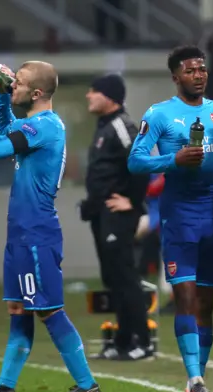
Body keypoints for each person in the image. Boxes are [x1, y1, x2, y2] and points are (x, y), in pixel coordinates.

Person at [0, 62, 101, 392]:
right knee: (19, 308)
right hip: (22, 233)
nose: (13, 86)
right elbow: (8, 129)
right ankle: (5, 387)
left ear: (36, 93)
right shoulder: (32, 125)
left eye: (17, 83)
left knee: (49, 309)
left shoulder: (46, 127)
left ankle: (87, 384)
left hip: (38, 234)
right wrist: (0, 95)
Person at [128, 45, 213, 392]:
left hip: (212, 214)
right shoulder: (159, 115)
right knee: (185, 296)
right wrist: (173, 159)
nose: (198, 75)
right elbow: (136, 161)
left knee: (206, 302)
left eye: (202, 69)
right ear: (175, 77)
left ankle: (196, 384)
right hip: (179, 214)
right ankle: (196, 378)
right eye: (190, 70)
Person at [79, 73, 152, 361]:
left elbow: (141, 162)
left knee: (125, 276)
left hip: (118, 215)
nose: (88, 95)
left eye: (93, 91)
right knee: (113, 277)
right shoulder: (104, 126)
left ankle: (141, 342)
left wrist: (132, 201)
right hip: (102, 214)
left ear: (109, 96)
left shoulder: (122, 125)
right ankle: (122, 342)